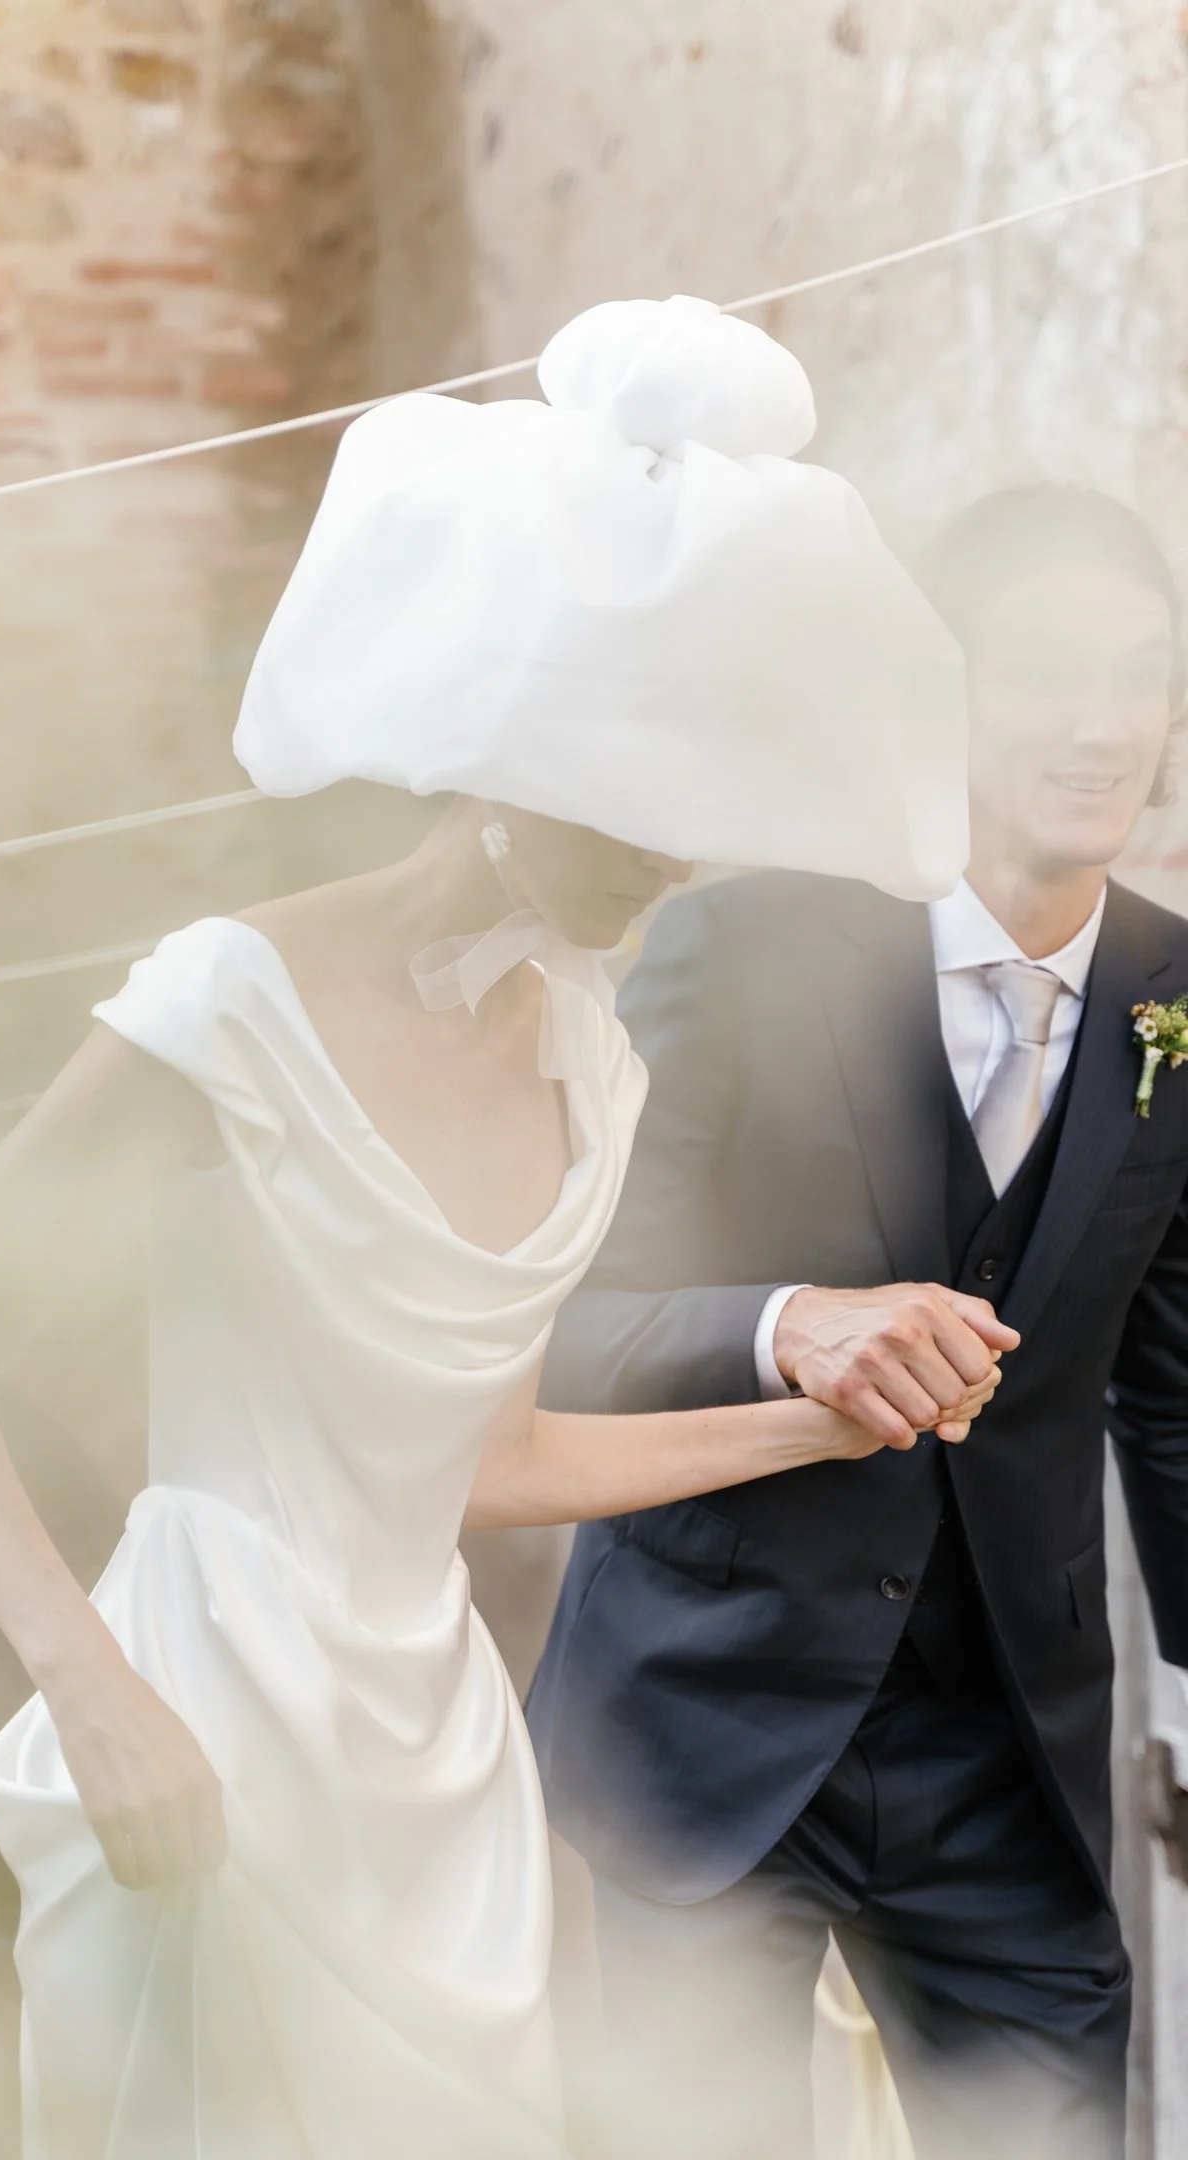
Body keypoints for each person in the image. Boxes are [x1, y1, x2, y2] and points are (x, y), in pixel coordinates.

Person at [0, 295, 983, 2160]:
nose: (674, 860)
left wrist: (826, 1415)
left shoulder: (590, 1066)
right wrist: (94, 1685)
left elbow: (495, 1460)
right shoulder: (229, 1000)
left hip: (441, 1761)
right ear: (513, 752)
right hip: (197, 1711)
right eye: (645, 809)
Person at [531, 482, 1188, 2160]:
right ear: (940, 690)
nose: (1103, 725)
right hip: (710, 1726)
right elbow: (558, 1330)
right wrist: (785, 1323)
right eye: (1047, 672)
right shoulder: (743, 951)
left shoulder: (1177, 1003)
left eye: (1143, 672)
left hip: (1007, 1759)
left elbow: (1172, 1400)